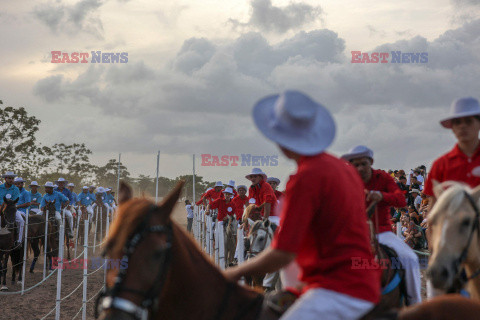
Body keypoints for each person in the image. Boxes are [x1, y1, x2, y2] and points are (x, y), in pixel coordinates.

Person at [225, 90, 380, 319]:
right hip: (352, 282)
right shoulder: (343, 169)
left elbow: (283, 254)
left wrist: (233, 273)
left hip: (336, 290)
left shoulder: (305, 177)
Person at [342, 145, 421, 305]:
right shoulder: (346, 181)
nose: (360, 168)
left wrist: (382, 196)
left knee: (410, 258)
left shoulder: (383, 178)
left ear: (370, 162)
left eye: (363, 163)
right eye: (355, 165)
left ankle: (415, 304)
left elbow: (401, 200)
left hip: (383, 232)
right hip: (356, 234)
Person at [423, 97, 480, 298]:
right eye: (457, 122)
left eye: (468, 121)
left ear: (478, 124)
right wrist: (435, 247)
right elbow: (433, 211)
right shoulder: (441, 165)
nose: (462, 127)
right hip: (452, 243)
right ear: (452, 128)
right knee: (434, 290)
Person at [0, 171, 23, 244]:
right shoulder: (0, 187)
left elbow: (16, 200)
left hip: (11, 209)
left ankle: (19, 241)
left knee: (21, 221)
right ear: (5, 179)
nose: (11, 180)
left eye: (12, 178)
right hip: (0, 207)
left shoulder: (15, 189)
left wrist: (8, 205)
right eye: (9, 178)